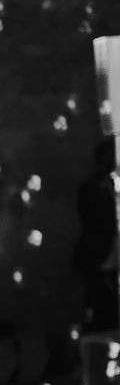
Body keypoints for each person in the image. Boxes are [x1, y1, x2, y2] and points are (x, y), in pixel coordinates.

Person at [73, 139, 118, 332]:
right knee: (100, 310)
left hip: (111, 255)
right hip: (99, 256)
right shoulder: (90, 188)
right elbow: (92, 221)